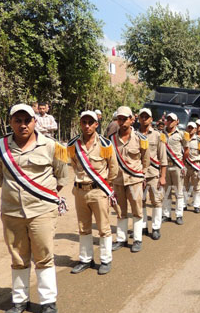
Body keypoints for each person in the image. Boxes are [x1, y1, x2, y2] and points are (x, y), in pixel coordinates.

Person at [0, 103, 68, 313]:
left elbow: (61, 178)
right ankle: (19, 301)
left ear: (35, 121)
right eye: (18, 120)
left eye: (27, 120)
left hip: (41, 212)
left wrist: (41, 198)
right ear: (11, 122)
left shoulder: (52, 146)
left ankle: (48, 302)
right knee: (18, 258)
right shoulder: (0, 147)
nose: (23, 125)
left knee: (44, 257)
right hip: (12, 212)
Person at [68, 111, 119, 275]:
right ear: (80, 123)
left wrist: (106, 187)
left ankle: (105, 259)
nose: (87, 125)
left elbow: (113, 168)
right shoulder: (73, 144)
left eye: (91, 122)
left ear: (97, 124)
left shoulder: (105, 144)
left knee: (104, 228)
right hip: (80, 191)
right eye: (84, 122)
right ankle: (85, 259)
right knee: (83, 227)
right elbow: (74, 164)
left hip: (99, 191)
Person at [110, 106, 149, 253]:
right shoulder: (111, 139)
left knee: (137, 210)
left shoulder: (140, 139)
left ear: (132, 120)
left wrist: (143, 175)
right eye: (119, 119)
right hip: (118, 180)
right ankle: (121, 238)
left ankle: (137, 239)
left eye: (125, 119)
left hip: (135, 180)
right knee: (120, 210)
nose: (122, 122)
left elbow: (146, 159)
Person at [138, 108, 167, 240]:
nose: (144, 119)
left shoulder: (157, 136)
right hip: (138, 175)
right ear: (139, 119)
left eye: (146, 117)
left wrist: (162, 176)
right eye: (142, 116)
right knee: (141, 202)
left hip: (153, 174)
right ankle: (143, 227)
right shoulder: (134, 135)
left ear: (151, 119)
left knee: (156, 202)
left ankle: (156, 227)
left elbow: (163, 158)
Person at [162, 113, 187, 225]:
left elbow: (186, 149)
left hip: (177, 165)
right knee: (166, 192)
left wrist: (182, 163)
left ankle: (179, 215)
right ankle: (166, 214)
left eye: (172, 120)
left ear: (177, 121)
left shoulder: (181, 134)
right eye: (168, 119)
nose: (170, 122)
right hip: (165, 166)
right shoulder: (161, 133)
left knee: (178, 192)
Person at [183, 122, 200, 213]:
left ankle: (196, 205)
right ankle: (183, 204)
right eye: (189, 127)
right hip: (185, 166)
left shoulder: (199, 140)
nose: (190, 129)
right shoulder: (183, 139)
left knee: (197, 187)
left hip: (195, 166)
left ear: (195, 129)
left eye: (192, 128)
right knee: (184, 187)